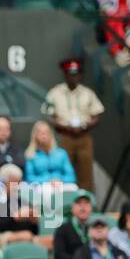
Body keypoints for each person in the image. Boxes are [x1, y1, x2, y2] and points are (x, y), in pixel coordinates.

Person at [43, 57, 103, 193]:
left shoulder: (88, 93)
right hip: (64, 136)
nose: (73, 77)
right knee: (63, 170)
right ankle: (65, 202)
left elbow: (97, 115)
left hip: (84, 136)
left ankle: (87, 201)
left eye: (76, 74)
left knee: (86, 171)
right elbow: (47, 114)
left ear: (80, 75)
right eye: (70, 74)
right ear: (65, 75)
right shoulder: (55, 92)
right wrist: (63, 126)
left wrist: (85, 126)